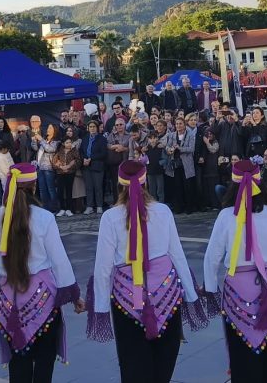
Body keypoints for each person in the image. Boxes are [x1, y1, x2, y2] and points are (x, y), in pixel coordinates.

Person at [86, 160, 203, 382]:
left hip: (126, 297)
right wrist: (191, 293)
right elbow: (176, 254)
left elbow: (103, 266)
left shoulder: (110, 217)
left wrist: (101, 307)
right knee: (164, 361)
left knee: (132, 364)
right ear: (145, 181)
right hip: (166, 294)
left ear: (119, 184)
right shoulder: (162, 211)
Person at [202, 160, 267, 382]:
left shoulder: (225, 216)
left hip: (238, 292)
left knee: (243, 355)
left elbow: (212, 258)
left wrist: (210, 288)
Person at [0, 163, 83, 383]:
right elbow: (59, 260)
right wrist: (73, 294)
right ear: (34, 186)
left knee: (18, 363)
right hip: (43, 299)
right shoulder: (45, 218)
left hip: (9, 301)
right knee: (44, 364)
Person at [80, 121, 107, 215]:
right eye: (90, 127)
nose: (92, 128)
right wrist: (84, 159)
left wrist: (91, 158)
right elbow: (81, 151)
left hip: (97, 166)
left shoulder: (102, 139)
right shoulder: (85, 139)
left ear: (97, 128)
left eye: (94, 127)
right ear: (88, 128)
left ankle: (99, 206)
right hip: (86, 166)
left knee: (98, 187)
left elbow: (103, 153)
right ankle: (89, 206)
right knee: (89, 187)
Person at [52, 137, 80, 218]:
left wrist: (69, 167)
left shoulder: (74, 151)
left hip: (70, 173)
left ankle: (69, 209)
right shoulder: (59, 151)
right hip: (60, 173)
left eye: (70, 142)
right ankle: (62, 208)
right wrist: (61, 167)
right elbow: (53, 162)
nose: (69, 144)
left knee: (69, 191)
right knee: (60, 191)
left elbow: (78, 161)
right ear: (63, 144)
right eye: (67, 142)